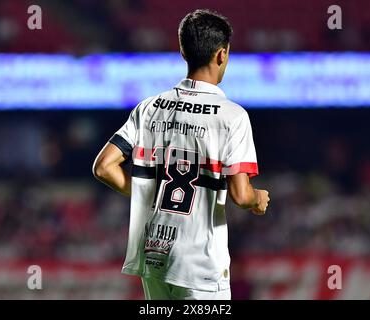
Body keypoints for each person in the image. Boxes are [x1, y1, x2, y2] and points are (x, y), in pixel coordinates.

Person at [93, 9, 270, 300]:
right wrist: (258, 198)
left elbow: (103, 167)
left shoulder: (149, 107)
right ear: (222, 55)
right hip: (199, 265)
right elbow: (240, 195)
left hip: (155, 257)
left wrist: (149, 194)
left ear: (182, 51)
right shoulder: (232, 117)